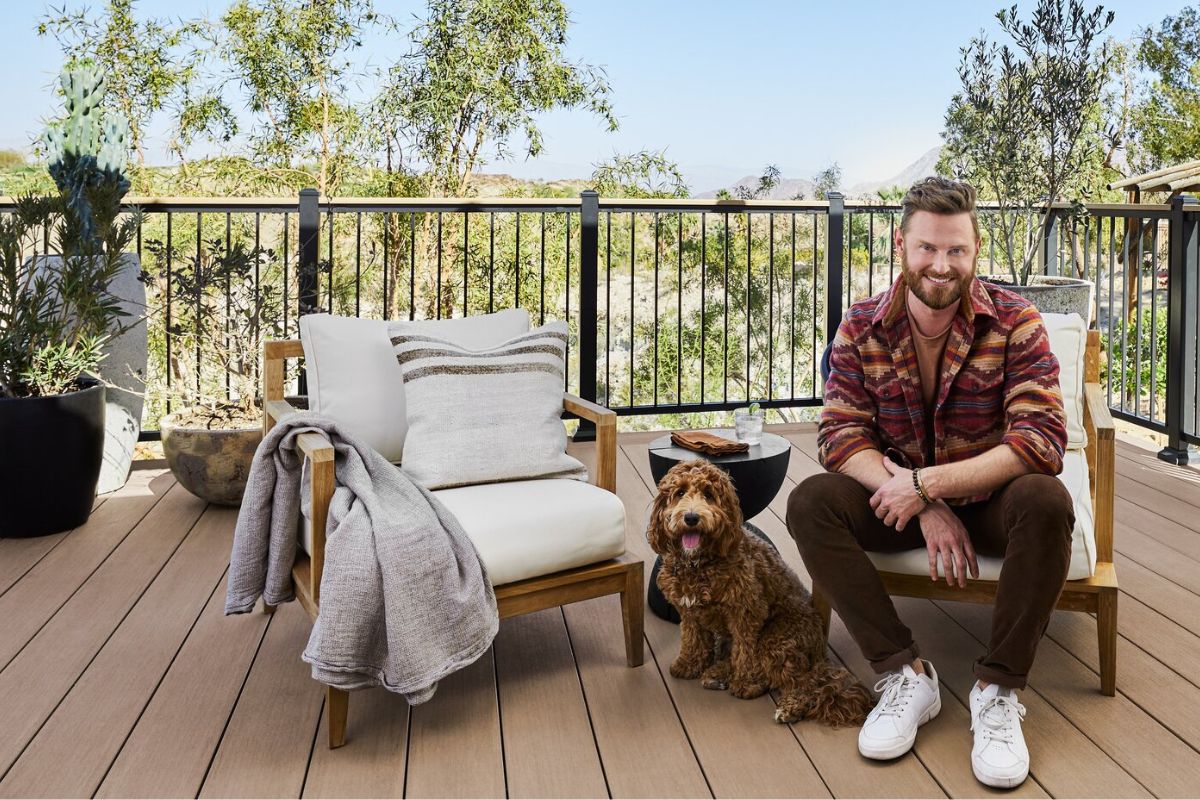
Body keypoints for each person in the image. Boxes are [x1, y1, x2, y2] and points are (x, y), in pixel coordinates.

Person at [787, 176, 1073, 789]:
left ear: (975, 250)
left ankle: (997, 691)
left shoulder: (1016, 320)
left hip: (990, 502)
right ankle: (904, 675)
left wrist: (928, 485)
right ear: (901, 245)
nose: (941, 265)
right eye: (927, 249)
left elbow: (1041, 437)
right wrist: (920, 505)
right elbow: (839, 435)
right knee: (811, 502)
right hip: (898, 503)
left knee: (1047, 500)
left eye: (956, 251)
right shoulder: (860, 325)